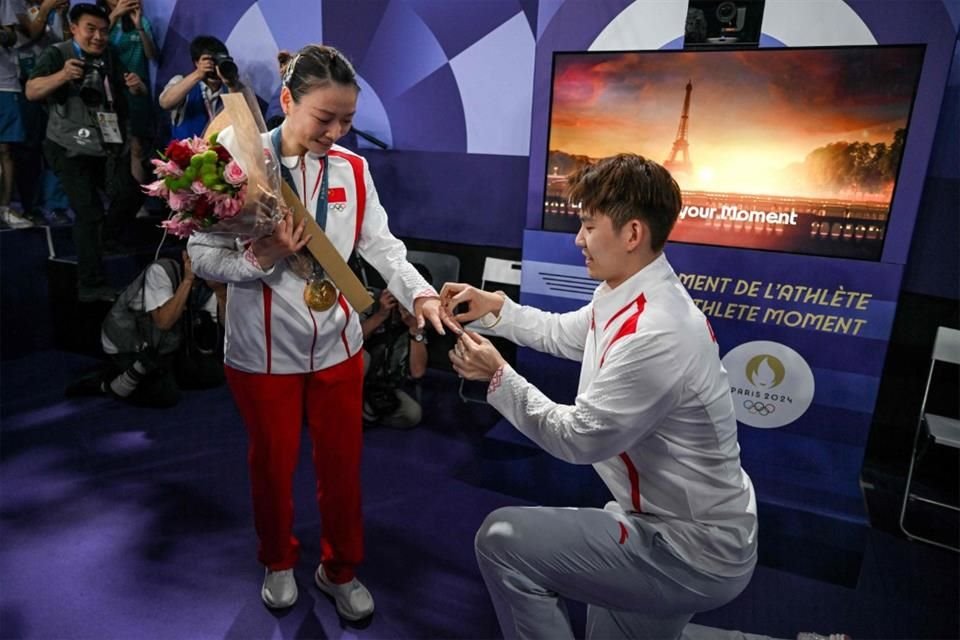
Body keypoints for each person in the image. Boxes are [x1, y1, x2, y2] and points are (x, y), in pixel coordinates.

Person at [442, 153, 758, 640]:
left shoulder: (657, 332)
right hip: (682, 530)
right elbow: (567, 333)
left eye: (589, 226)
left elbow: (578, 439)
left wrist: (497, 375)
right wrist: (495, 310)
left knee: (502, 542)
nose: (578, 239)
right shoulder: (633, 291)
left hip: (687, 549)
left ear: (632, 235)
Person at [187, 44, 453, 616]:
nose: (335, 132)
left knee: (342, 467)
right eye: (324, 118)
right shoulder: (233, 156)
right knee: (271, 467)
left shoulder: (354, 170)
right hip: (261, 354)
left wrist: (420, 293)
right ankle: (277, 559)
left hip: (338, 345)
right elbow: (201, 254)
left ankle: (340, 568)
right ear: (287, 101)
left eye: (348, 121)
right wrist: (260, 258)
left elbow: (382, 246)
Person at [25, 2, 146, 302]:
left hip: (105, 143)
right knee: (88, 209)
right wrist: (62, 76)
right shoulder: (58, 54)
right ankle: (90, 285)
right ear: (73, 28)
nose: (98, 37)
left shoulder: (110, 55)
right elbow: (31, 90)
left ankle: (105, 241)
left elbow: (124, 93)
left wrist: (137, 87)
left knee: (132, 192)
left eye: (103, 31)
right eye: (90, 29)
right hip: (67, 146)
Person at [65, 249, 226, 407]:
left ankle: (161, 374)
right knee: (166, 396)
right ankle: (106, 381)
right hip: (130, 342)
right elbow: (163, 322)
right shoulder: (161, 270)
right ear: (186, 255)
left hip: (165, 345)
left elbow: (226, 324)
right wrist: (187, 281)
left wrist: (220, 291)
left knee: (213, 375)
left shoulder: (208, 282)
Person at [360, 263, 432, 429]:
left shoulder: (419, 318)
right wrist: (381, 315)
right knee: (364, 358)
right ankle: (352, 410)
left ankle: (370, 415)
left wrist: (415, 330)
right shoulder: (371, 300)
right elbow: (347, 341)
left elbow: (418, 372)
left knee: (413, 414)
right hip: (355, 379)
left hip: (384, 385)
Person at [97, 0, 156, 187]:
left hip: (136, 89)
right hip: (108, 89)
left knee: (137, 145)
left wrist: (139, 27)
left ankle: (137, 199)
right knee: (112, 145)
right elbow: (98, 45)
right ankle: (114, 192)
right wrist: (114, 16)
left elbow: (151, 54)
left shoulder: (141, 21)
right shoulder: (102, 23)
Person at [158, 35, 251, 141]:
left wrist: (231, 85)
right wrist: (198, 74)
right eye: (209, 60)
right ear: (196, 62)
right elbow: (165, 103)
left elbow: (243, 122)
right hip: (188, 154)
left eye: (217, 60)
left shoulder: (234, 87)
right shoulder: (181, 81)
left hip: (222, 154)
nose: (214, 65)